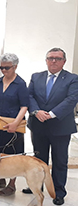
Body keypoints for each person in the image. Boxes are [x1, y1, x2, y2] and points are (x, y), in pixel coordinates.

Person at [24, 48, 78, 205]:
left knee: (60, 160)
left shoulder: (72, 78)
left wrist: (51, 114)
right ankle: (37, 186)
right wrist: (36, 111)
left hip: (60, 126)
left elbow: (72, 99)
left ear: (64, 61)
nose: (53, 61)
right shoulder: (36, 76)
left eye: (57, 58)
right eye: (50, 58)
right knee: (39, 159)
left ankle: (58, 191)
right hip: (39, 125)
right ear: (46, 60)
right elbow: (29, 96)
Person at [0, 53, 29, 196]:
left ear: (15, 67)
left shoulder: (21, 84)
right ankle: (0, 178)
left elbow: (24, 106)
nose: (4, 71)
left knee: (13, 154)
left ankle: (12, 184)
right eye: (1, 68)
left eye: (7, 68)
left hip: (13, 123)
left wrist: (15, 123)